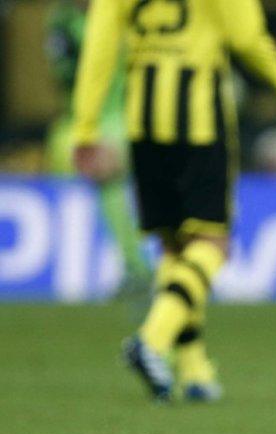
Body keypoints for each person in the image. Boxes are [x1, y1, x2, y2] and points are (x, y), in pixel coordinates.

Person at [72, 0, 276, 402]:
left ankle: (193, 370)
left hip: (143, 122)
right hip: (200, 125)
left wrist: (86, 126)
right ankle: (152, 340)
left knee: (174, 245)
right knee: (212, 245)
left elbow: (100, 43)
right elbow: (246, 36)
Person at [46, 0, 151, 295]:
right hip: (85, 119)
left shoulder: (128, 16)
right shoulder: (63, 22)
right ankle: (135, 267)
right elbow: (65, 75)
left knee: (111, 179)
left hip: (125, 115)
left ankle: (141, 268)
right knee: (100, 179)